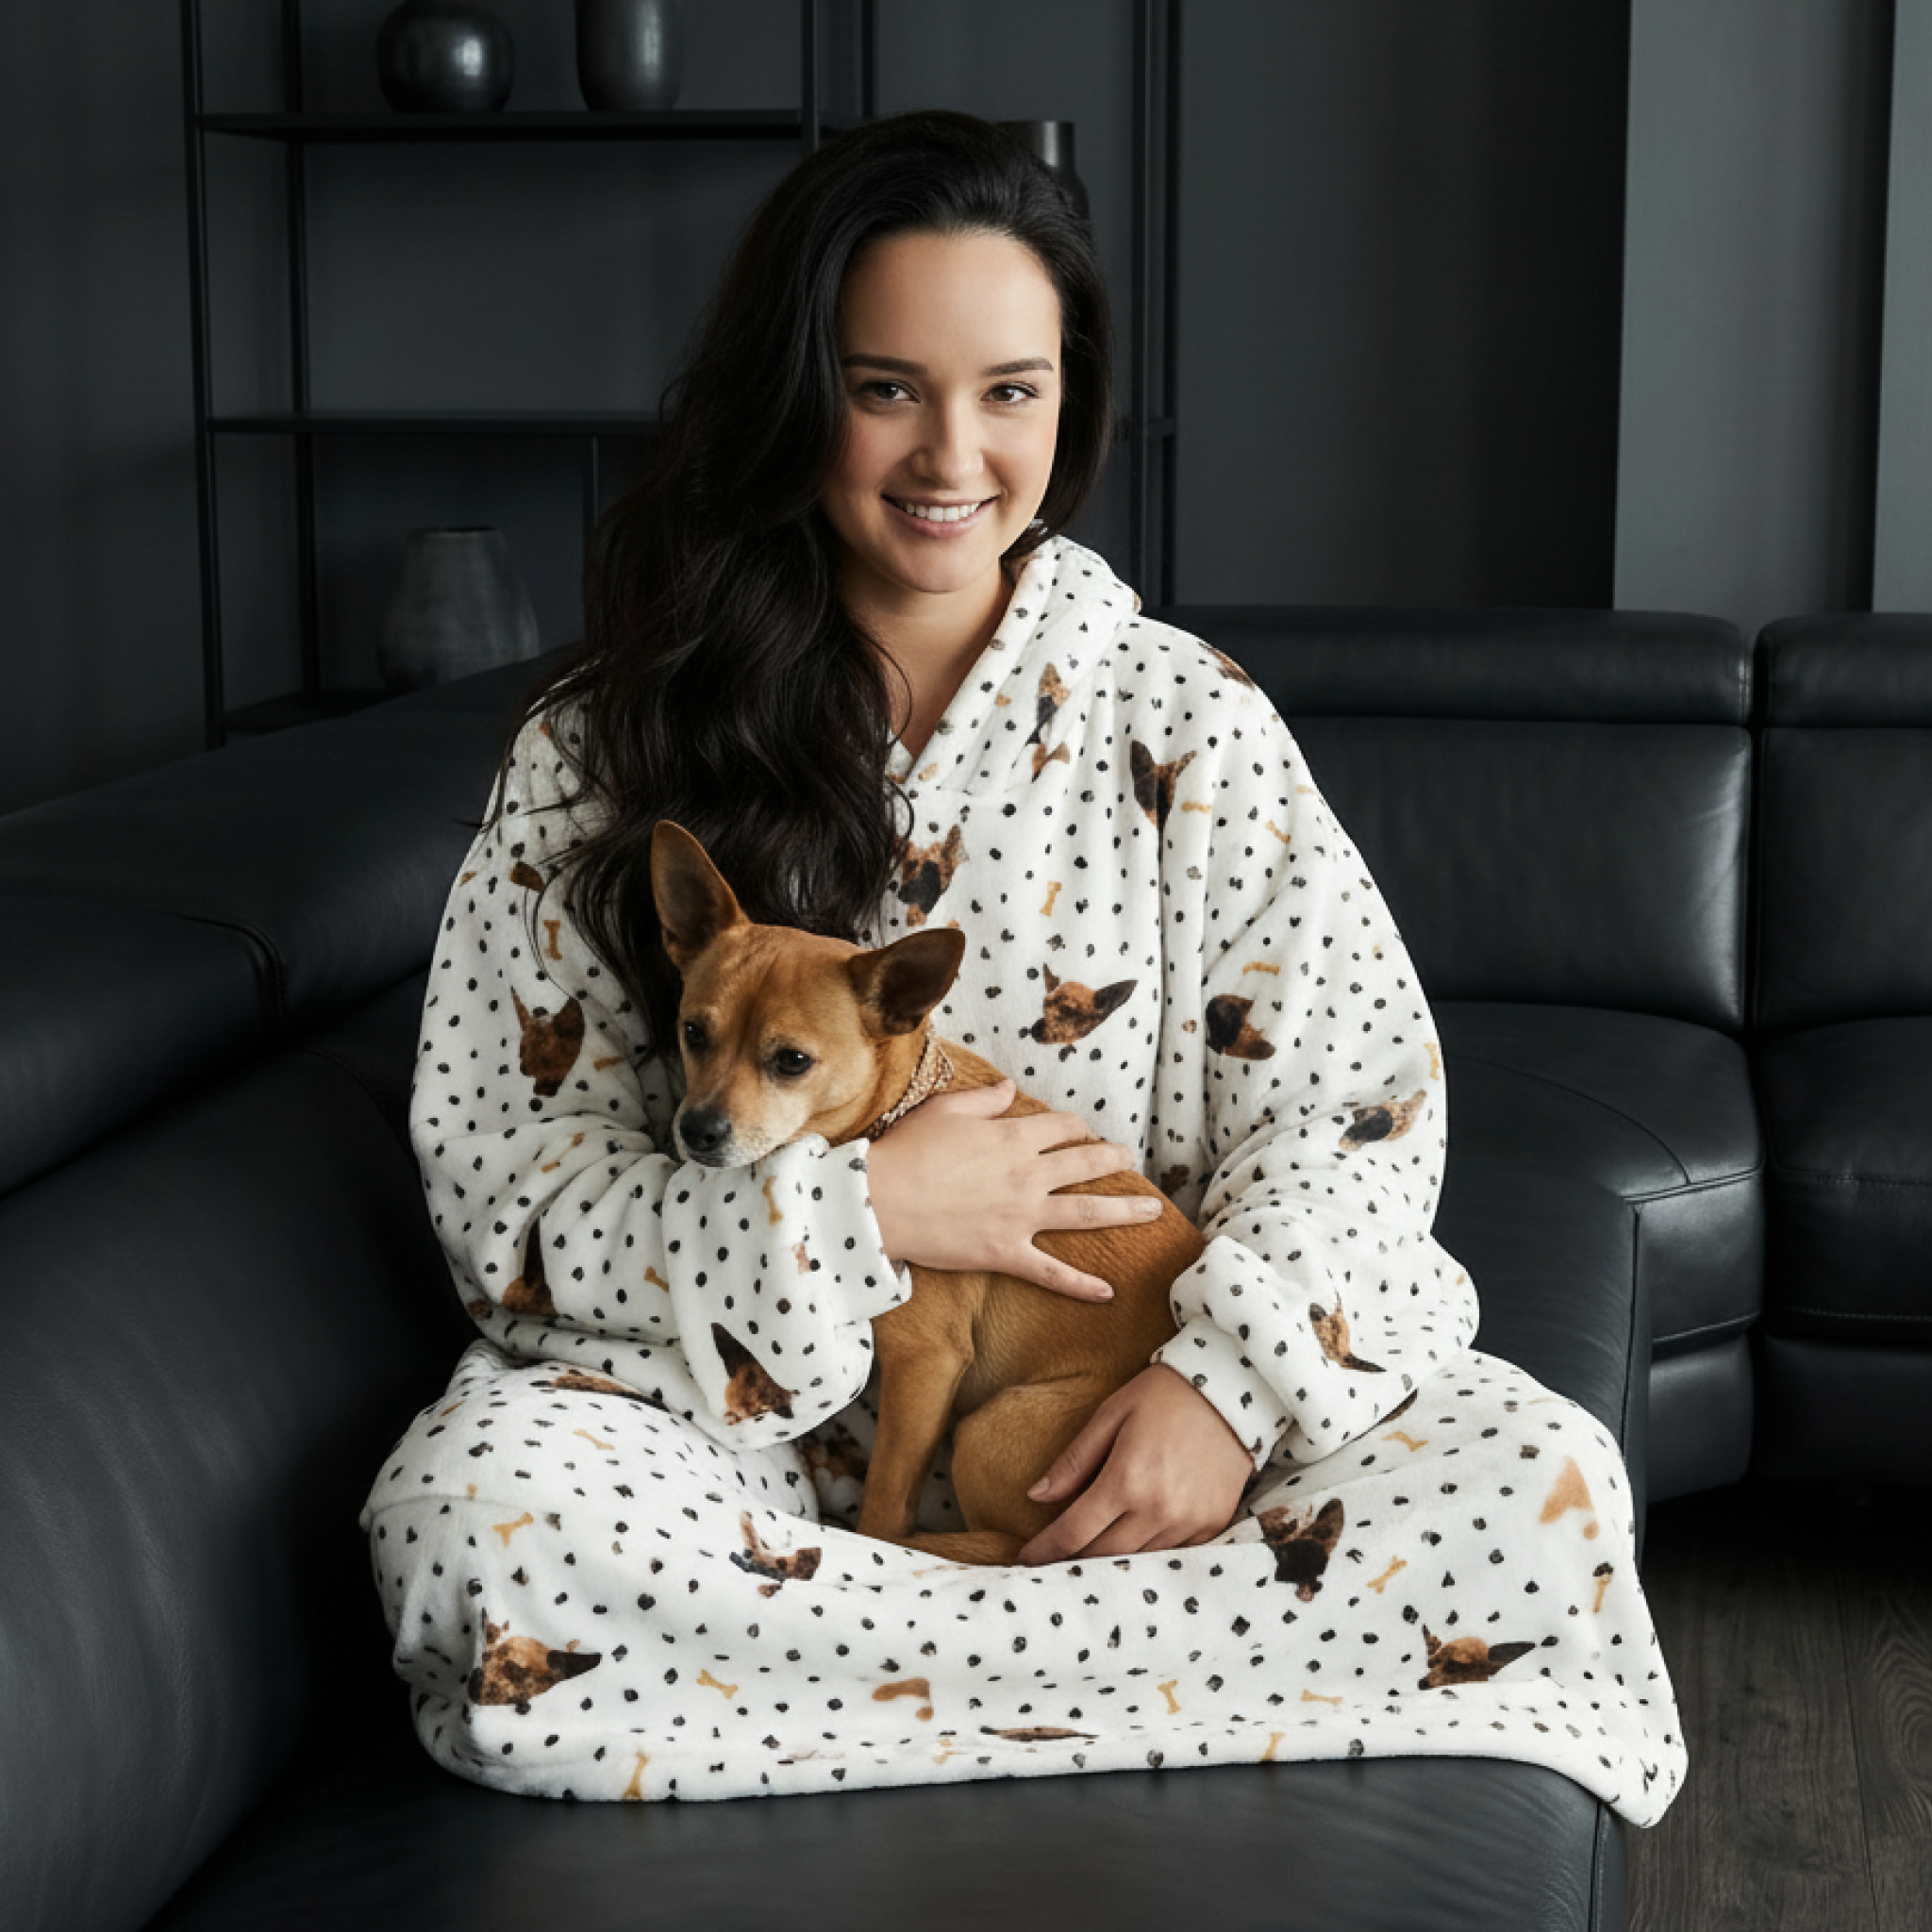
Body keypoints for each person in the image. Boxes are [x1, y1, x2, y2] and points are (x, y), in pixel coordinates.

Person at [363, 109, 1683, 1821]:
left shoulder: (1187, 722)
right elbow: (506, 1193)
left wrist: (1217, 1398)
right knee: (471, 1526)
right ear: (795, 396)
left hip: (1110, 1444)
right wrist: (858, 1213)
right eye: (886, 387)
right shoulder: (600, 747)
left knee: (1543, 1490)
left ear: (1074, 402)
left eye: (1011, 390)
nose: (953, 454)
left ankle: (838, 1671)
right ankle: (1097, 1658)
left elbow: (1353, 1121)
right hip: (708, 1447)